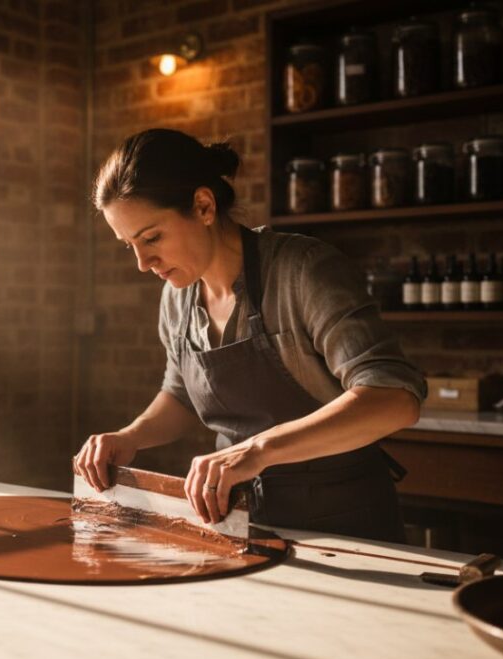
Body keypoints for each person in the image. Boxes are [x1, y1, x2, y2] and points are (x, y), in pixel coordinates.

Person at [74, 128, 427, 543]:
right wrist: (130, 437)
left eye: (152, 238)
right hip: (240, 521)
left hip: (345, 524)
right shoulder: (177, 297)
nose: (142, 262)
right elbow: (182, 395)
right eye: (128, 245)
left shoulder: (303, 271)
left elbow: (394, 399)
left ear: (203, 206)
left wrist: (258, 452)